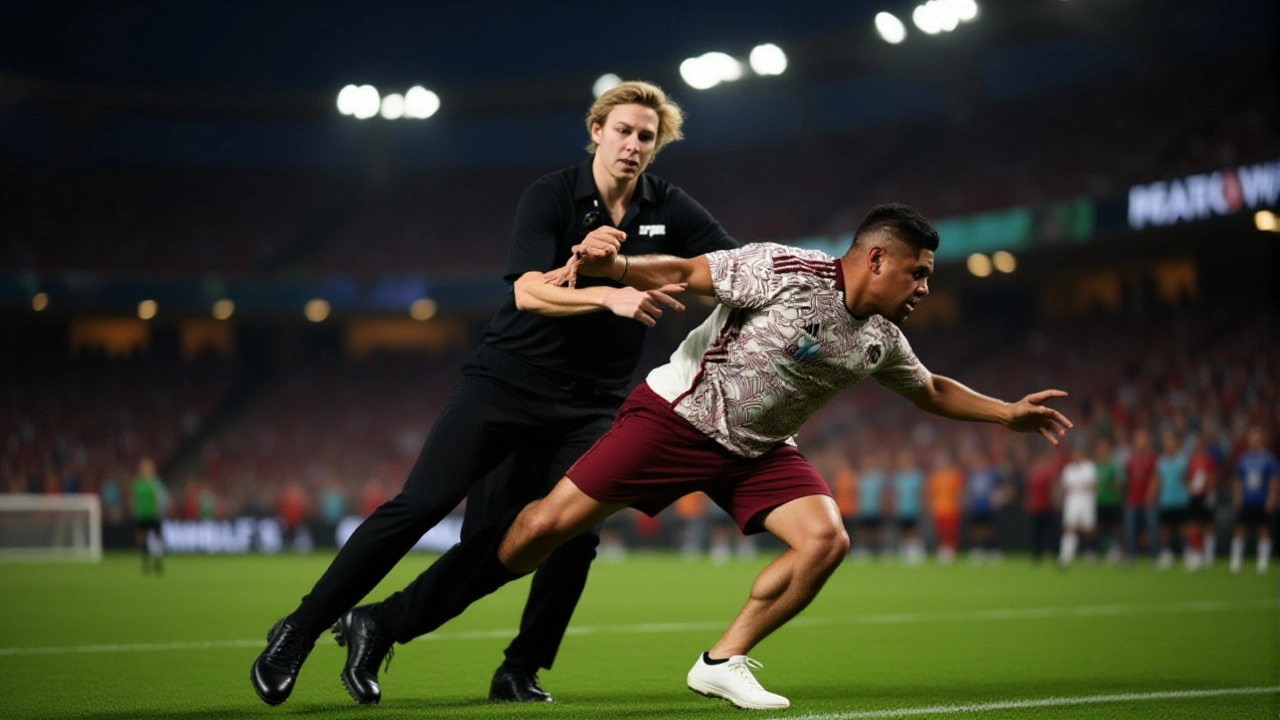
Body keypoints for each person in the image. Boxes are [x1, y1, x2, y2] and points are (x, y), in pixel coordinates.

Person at [320, 203, 1073, 710]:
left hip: (757, 450)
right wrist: (612, 272)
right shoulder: (782, 270)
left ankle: (721, 663)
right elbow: (683, 272)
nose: (923, 288)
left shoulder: (877, 337)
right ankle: (382, 623)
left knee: (825, 540)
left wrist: (1007, 412)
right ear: (876, 259)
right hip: (677, 420)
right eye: (918, 272)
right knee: (536, 534)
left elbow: (930, 387)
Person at [250, 80, 739, 707]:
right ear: (597, 130)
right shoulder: (552, 195)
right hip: (506, 383)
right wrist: (605, 291)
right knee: (421, 505)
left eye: (647, 136)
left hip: (591, 406)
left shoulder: (671, 208)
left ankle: (514, 667)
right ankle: (300, 629)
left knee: (571, 535)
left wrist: (633, 269)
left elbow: (736, 269)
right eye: (623, 130)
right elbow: (528, 291)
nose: (634, 145)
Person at [1229, 426, 1279, 574]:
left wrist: (1272, 498)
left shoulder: (1269, 458)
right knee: (1240, 530)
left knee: (1263, 530)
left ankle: (1262, 562)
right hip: (1247, 501)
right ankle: (1236, 561)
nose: (1253, 441)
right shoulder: (1243, 458)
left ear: (1261, 440)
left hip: (1262, 501)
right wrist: (1237, 498)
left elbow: (1273, 481)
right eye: (1251, 438)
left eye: (1256, 438)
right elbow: (1238, 480)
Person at [1154, 430, 1190, 569]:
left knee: (1183, 529)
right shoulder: (1161, 461)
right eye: (1166, 444)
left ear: (1176, 445)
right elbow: (1159, 480)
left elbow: (1186, 479)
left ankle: (1188, 553)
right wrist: (1156, 495)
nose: (1168, 446)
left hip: (1180, 499)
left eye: (1171, 444)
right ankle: (1166, 554)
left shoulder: (1182, 460)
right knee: (1165, 530)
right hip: (1165, 500)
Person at [1122, 428, 1159, 567]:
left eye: (1143, 438)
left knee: (1152, 529)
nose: (1140, 441)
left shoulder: (1151, 458)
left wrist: (1151, 496)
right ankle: (1131, 557)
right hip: (1132, 500)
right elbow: (1127, 479)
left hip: (1147, 500)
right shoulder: (1131, 458)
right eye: (1138, 438)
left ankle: (1155, 557)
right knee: (1130, 530)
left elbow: (1155, 478)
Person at [1057, 441, 1097, 567]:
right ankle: (1066, 557)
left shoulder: (1089, 467)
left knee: (1089, 529)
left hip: (1086, 501)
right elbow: (1064, 488)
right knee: (1070, 528)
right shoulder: (1068, 470)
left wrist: (1080, 490)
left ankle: (1090, 553)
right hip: (1072, 502)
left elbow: (1093, 486)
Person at [130, 457, 167, 575]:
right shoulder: (137, 484)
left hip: (154, 515)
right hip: (141, 515)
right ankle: (145, 562)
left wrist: (159, 512)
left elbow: (160, 499)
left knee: (157, 537)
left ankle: (157, 561)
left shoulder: (156, 483)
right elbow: (134, 500)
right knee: (142, 537)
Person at [1185, 433, 1216, 569]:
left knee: (1207, 525)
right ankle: (1196, 554)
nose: (1196, 445)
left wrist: (1210, 492)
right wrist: (1189, 487)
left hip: (1206, 495)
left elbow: (1212, 476)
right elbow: (1187, 476)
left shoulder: (1208, 460)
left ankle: (1209, 555)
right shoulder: (1191, 460)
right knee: (1193, 525)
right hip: (1194, 496)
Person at [890, 449, 927, 564]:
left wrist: (922, 504)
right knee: (904, 531)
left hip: (913, 507)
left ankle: (917, 551)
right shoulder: (897, 477)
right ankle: (906, 551)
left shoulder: (917, 475)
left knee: (914, 530)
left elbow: (920, 492)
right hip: (902, 509)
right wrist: (894, 506)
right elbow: (896, 494)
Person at [1093, 436, 1125, 565]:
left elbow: (1119, 482)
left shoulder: (1114, 466)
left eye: (1104, 448)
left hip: (1113, 501)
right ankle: (1097, 551)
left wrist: (1112, 487)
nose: (1101, 451)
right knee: (1099, 528)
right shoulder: (1096, 466)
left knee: (1116, 527)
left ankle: (1116, 549)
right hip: (1100, 501)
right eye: (1100, 448)